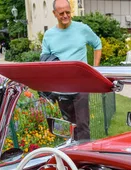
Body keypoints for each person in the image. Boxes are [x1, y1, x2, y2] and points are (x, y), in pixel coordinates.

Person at [41, 0, 102, 142]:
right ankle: (73, 155)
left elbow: (97, 44)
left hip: (81, 85)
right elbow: (44, 58)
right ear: (54, 14)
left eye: (68, 12)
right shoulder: (49, 35)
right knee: (69, 126)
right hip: (62, 88)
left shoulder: (82, 29)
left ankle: (85, 158)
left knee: (82, 125)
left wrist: (95, 69)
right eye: (61, 13)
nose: (65, 15)